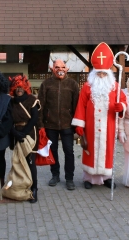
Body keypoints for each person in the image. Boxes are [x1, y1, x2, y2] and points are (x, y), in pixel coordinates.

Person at [72, 42, 127, 189]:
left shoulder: (115, 87)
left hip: (108, 125)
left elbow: (123, 102)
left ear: (108, 73)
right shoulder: (87, 87)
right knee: (90, 150)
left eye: (104, 73)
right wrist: (79, 126)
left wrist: (120, 107)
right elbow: (81, 106)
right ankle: (89, 178)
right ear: (94, 73)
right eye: (99, 73)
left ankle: (107, 177)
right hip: (91, 126)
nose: (101, 75)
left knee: (107, 151)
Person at [38, 59, 80, 190]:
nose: (60, 69)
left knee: (69, 151)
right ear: (52, 68)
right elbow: (40, 105)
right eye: (57, 67)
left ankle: (69, 178)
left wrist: (76, 124)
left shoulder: (73, 84)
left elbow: (77, 106)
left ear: (67, 69)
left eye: (62, 67)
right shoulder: (46, 84)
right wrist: (40, 125)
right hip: (50, 125)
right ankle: (55, 175)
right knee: (53, 151)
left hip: (68, 125)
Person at [9, 75, 40, 203]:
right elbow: (8, 120)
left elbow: (34, 119)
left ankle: (34, 189)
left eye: (21, 87)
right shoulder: (10, 102)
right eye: (17, 88)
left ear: (25, 87)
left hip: (31, 134)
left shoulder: (32, 99)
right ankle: (22, 186)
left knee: (30, 161)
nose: (19, 90)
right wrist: (15, 133)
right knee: (19, 162)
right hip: (16, 133)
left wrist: (24, 133)